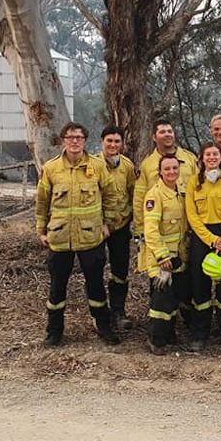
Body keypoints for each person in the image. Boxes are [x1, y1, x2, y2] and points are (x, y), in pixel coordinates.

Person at [35, 122, 119, 346]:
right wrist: (41, 230)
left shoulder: (97, 166)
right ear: (63, 140)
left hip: (90, 237)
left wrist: (108, 224)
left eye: (79, 137)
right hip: (60, 238)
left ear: (85, 141)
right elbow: (42, 201)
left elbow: (111, 195)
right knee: (57, 288)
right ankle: (54, 331)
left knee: (96, 286)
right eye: (70, 137)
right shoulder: (51, 169)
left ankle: (104, 326)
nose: (74, 141)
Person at [134, 119, 197, 324]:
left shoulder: (189, 158)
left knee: (184, 287)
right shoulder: (147, 165)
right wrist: (140, 233)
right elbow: (139, 199)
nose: (167, 134)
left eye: (170, 130)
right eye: (162, 131)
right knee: (162, 291)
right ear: (154, 137)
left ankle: (185, 325)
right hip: (159, 238)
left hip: (184, 238)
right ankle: (159, 334)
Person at [185, 142, 221, 352]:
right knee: (200, 288)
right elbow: (192, 215)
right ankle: (200, 334)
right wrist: (211, 239)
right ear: (201, 158)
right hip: (202, 239)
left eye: (215, 154)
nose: (211, 157)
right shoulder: (193, 183)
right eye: (207, 154)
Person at [142, 154, 189, 354]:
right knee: (161, 301)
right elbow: (151, 230)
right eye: (167, 169)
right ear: (160, 172)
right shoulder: (155, 195)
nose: (171, 172)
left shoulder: (181, 192)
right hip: (161, 259)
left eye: (174, 168)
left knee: (174, 298)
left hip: (179, 257)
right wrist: (162, 256)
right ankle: (156, 339)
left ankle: (169, 335)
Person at [93, 125, 136, 330]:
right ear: (102, 142)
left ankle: (118, 310)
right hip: (98, 228)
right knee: (95, 269)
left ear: (122, 143)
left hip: (121, 226)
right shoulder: (92, 165)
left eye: (117, 141)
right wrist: (101, 223)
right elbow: (89, 198)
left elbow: (132, 193)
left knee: (120, 270)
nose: (113, 145)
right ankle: (100, 314)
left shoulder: (127, 166)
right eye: (109, 141)